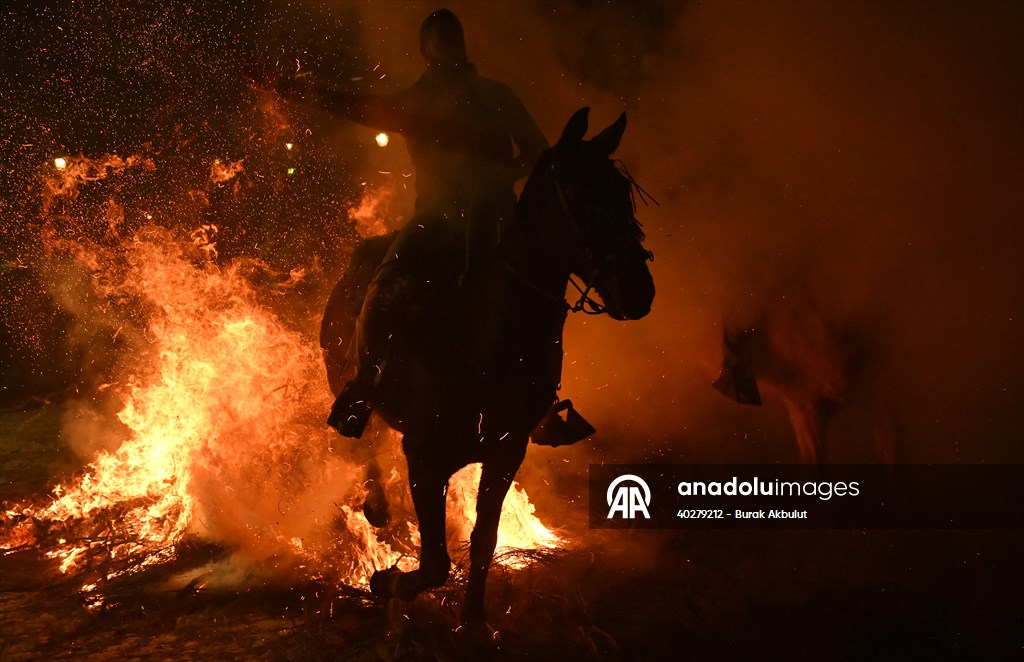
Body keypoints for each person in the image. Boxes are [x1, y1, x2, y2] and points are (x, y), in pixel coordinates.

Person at [276, 9, 549, 438]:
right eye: (441, 39)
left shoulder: (497, 95)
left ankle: (543, 400)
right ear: (426, 50)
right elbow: (352, 105)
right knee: (379, 278)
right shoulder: (414, 103)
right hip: (435, 223)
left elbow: (538, 150)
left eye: (453, 37)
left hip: (496, 221)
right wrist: (290, 88)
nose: (449, 46)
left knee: (543, 289)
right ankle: (364, 385)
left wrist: (505, 175)